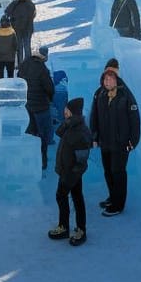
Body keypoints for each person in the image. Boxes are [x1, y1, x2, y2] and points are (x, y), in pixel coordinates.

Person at [89, 62, 140, 216]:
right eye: (105, 79)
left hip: (121, 143)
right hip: (105, 142)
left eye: (111, 79)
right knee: (108, 172)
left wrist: (133, 141)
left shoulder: (126, 96)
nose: (107, 81)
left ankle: (118, 205)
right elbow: (94, 117)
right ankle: (112, 197)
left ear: (117, 79)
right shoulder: (100, 94)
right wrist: (94, 136)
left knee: (118, 173)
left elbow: (135, 120)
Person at [48, 97, 92, 246]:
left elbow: (82, 158)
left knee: (62, 196)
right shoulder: (72, 126)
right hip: (68, 170)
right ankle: (76, 228)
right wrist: (67, 121)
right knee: (76, 197)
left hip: (71, 172)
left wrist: (72, 174)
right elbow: (59, 132)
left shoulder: (80, 131)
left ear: (73, 112)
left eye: (67, 110)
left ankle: (68, 228)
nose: (64, 111)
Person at [18, 45, 54, 169]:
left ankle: (27, 161)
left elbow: (19, 80)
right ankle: (42, 161)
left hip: (27, 107)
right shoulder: (42, 69)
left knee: (29, 134)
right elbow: (49, 88)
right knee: (42, 136)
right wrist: (50, 98)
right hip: (41, 108)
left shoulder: (24, 64)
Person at [5, 0, 36, 69]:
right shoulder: (15, 4)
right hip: (18, 29)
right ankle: (20, 64)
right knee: (19, 48)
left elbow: (32, 15)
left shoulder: (30, 4)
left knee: (26, 47)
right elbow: (7, 11)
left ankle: (28, 63)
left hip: (26, 29)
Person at [0, 14, 18, 78]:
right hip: (10, 58)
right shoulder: (12, 32)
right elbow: (16, 45)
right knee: (10, 76)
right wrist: (14, 52)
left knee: (0, 76)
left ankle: (0, 87)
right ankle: (10, 86)